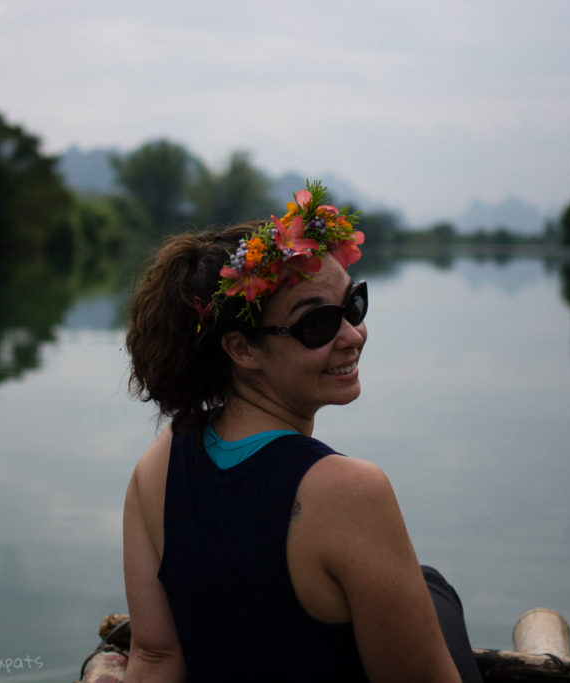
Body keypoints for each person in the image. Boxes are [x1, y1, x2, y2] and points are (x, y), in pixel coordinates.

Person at [122, 181, 481, 682]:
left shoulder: (157, 465)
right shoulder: (348, 492)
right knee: (435, 590)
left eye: (353, 306)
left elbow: (155, 657)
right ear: (242, 350)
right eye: (317, 324)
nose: (353, 336)